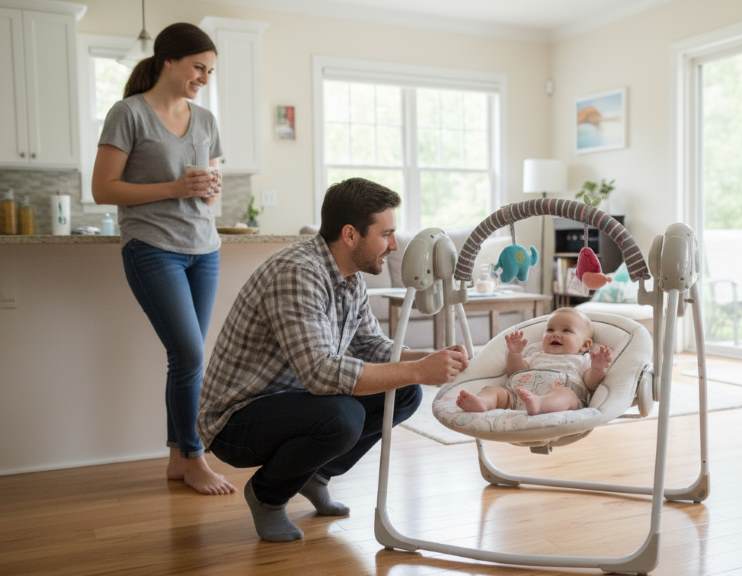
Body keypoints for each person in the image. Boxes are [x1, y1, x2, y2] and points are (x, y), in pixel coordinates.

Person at [198, 178, 469, 542]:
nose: (393, 245)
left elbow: (371, 345)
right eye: (386, 234)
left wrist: (428, 359)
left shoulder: (350, 278)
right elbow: (321, 374)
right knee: (343, 417)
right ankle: (267, 495)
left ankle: (315, 475)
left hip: (291, 399)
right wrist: (418, 369)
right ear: (350, 235)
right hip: (236, 420)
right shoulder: (297, 273)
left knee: (405, 392)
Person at [92, 23, 233, 495]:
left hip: (204, 249)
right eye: (198, 67)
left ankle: (178, 456)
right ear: (168, 61)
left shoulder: (206, 120)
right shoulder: (128, 114)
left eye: (209, 70)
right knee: (191, 353)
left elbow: (210, 195)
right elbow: (103, 188)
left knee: (187, 358)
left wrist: (209, 189)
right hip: (152, 248)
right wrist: (174, 187)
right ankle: (195, 457)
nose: (204, 78)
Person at [456, 308, 612, 416]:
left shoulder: (581, 360)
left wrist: (597, 369)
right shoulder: (536, 355)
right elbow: (515, 371)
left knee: (567, 395)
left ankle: (541, 404)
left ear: (585, 345)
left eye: (566, 331)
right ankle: (483, 402)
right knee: (494, 390)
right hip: (518, 397)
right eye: (550, 330)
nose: (555, 334)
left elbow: (591, 383)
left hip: (557, 399)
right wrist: (515, 354)